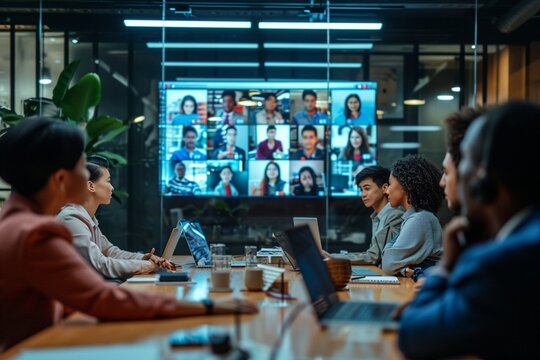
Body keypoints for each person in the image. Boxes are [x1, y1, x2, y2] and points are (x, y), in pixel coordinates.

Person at [0, 118, 257, 352]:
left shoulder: (15, 223)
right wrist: (208, 307)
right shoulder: (36, 234)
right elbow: (100, 298)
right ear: (60, 178)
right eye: (81, 164)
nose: (88, 172)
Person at [398, 101, 540, 359]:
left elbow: (413, 335)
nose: (446, 178)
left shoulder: (506, 261)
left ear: (482, 178)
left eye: (462, 161)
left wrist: (445, 268)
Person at [58, 156, 172, 281]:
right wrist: (147, 266)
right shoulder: (71, 219)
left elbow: (110, 251)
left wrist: (143, 258)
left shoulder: (87, 217)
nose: (112, 187)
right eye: (108, 181)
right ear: (91, 186)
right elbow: (100, 265)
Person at [381, 155, 444, 276]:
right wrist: (404, 269)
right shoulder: (418, 216)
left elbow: (388, 263)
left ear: (404, 186)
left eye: (390, 184)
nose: (387, 191)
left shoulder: (419, 219)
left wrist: (400, 266)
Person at [338, 166, 404, 265]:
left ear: (385, 188)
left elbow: (374, 257)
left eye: (367, 188)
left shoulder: (394, 215)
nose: (363, 194)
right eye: (361, 190)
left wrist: (334, 258)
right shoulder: (377, 216)